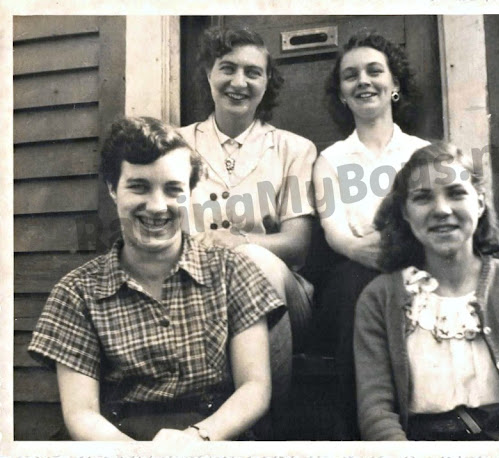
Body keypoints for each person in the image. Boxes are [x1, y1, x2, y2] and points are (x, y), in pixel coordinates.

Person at [28, 117, 284, 441]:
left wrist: (196, 439)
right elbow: (81, 413)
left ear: (190, 193)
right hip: (115, 444)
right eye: (139, 187)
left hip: (212, 439)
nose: (157, 206)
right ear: (112, 189)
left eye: (173, 189)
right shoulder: (76, 293)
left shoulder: (232, 272)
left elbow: (254, 388)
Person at [354, 142, 499, 441]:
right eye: (423, 198)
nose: (442, 210)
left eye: (456, 194)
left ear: (479, 204)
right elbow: (376, 413)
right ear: (405, 213)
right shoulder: (379, 299)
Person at [311, 30, 429, 438]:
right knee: (356, 289)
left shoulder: (422, 154)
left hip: (418, 267)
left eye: (374, 71)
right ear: (342, 95)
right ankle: (361, 435)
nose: (363, 81)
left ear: (394, 84)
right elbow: (338, 236)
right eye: (351, 76)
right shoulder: (330, 161)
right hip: (355, 274)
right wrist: (383, 249)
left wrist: (403, 250)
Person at [178, 27, 316, 352]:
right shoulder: (176, 145)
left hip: (280, 293)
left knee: (256, 261)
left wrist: (239, 243)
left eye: (253, 73)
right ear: (208, 74)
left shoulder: (294, 149)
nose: (239, 83)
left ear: (267, 82)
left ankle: (264, 386)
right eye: (227, 68)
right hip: (196, 290)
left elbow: (297, 245)